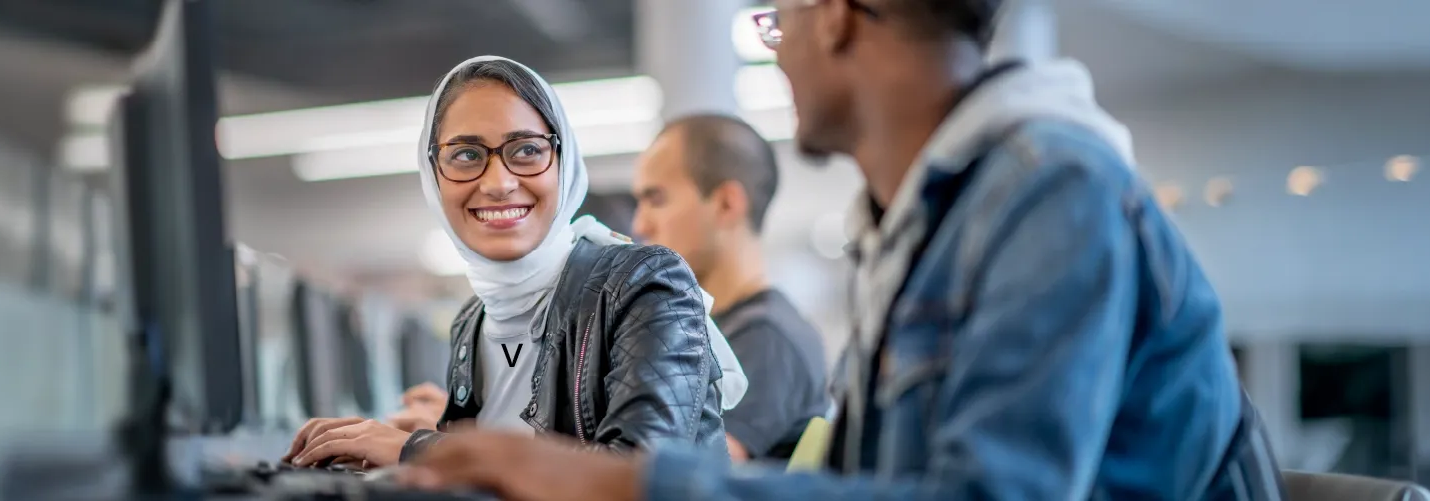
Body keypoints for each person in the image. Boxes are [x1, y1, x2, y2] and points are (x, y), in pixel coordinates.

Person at [395, 1, 1285, 500]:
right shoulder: (917, 223)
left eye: (774, 23)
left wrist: (619, 486)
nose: (776, 57)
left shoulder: (1052, 189)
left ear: (836, 18)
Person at [281, 56, 750, 469]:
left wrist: (417, 449)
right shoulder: (474, 319)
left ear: (562, 162)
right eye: (466, 155)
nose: (499, 182)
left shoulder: (644, 282)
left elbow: (637, 475)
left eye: (526, 150)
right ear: (433, 175)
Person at [630, 114, 830, 462]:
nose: (640, 224)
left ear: (726, 203)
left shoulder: (765, 337)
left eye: (657, 199)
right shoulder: (716, 330)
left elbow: (689, 478)